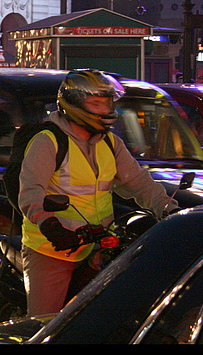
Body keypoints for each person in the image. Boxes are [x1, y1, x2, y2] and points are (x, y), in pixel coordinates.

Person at [18, 69, 179, 317]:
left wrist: (170, 209)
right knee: (45, 324)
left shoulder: (111, 142)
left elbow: (138, 182)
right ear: (72, 104)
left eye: (107, 103)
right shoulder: (47, 141)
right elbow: (30, 192)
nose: (105, 110)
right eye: (96, 103)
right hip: (52, 249)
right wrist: (51, 226)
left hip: (100, 244)